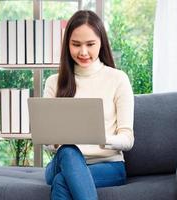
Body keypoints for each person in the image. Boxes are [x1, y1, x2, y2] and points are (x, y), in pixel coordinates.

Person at [43, 10, 134, 200]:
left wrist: (98, 136)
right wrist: (55, 140)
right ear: (67, 45)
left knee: (62, 182)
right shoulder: (53, 82)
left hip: (109, 166)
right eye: (76, 44)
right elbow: (48, 145)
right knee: (67, 150)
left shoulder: (118, 79)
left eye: (90, 44)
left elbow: (127, 139)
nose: (83, 52)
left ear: (101, 43)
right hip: (63, 161)